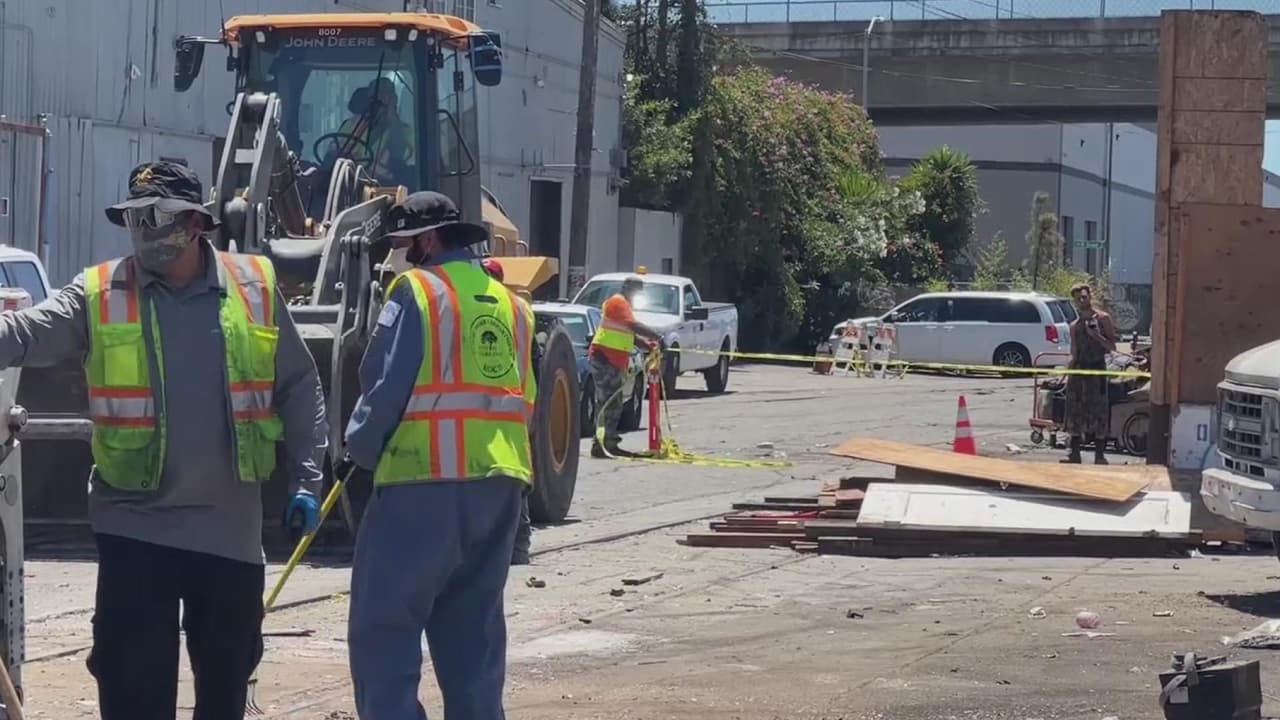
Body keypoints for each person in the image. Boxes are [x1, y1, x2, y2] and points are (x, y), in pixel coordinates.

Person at [0, 161, 328, 718]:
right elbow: (25, 333)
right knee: (133, 695)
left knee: (223, 693)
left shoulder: (253, 288)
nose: (146, 232)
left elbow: (299, 386)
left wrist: (307, 480)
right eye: (135, 219)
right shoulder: (101, 291)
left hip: (229, 538)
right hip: (136, 531)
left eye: (160, 218)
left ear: (197, 222)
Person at [344, 191, 535, 718]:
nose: (398, 256)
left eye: (403, 245)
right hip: (500, 484)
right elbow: (527, 400)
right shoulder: (513, 306)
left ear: (428, 240)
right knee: (473, 637)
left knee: (384, 630)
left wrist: (356, 450)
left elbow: (384, 387)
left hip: (422, 482)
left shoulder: (418, 292)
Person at [480, 256, 533, 566]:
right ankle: (516, 547)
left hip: (503, 407)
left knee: (511, 482)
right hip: (512, 406)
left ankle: (517, 546)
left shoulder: (498, 309)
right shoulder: (517, 309)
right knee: (512, 478)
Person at [588, 275, 662, 458]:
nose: (637, 294)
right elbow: (633, 325)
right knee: (609, 403)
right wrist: (657, 336)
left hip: (612, 359)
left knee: (611, 402)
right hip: (605, 358)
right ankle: (604, 444)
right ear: (627, 288)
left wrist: (649, 345)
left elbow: (630, 334)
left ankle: (605, 442)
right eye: (636, 290)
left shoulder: (624, 306)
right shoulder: (617, 302)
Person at [1062, 282, 1117, 465]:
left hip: (1097, 369)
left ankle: (1099, 455)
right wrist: (1065, 372)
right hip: (1079, 370)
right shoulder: (1074, 325)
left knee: (1099, 412)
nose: (1081, 301)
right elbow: (1074, 351)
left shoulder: (1103, 319)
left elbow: (1112, 347)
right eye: (1078, 298)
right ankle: (1074, 453)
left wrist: (1096, 336)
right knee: (1075, 411)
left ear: (1090, 297)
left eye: (1084, 297)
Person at [331, 77, 415, 184]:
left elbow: (404, 165)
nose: (380, 99)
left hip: (387, 189)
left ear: (394, 99)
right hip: (348, 184)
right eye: (375, 95)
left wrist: (393, 122)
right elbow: (333, 153)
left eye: (385, 94)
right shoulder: (351, 125)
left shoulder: (406, 132)